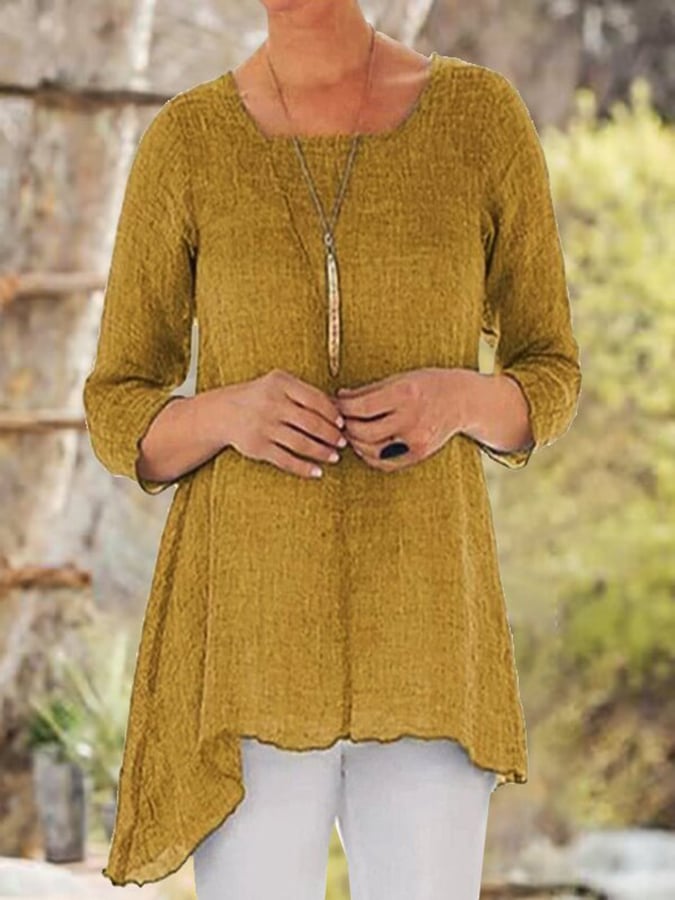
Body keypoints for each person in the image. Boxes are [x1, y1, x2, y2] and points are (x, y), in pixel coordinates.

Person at [82, 0, 582, 897]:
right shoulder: (187, 141)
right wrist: (229, 412)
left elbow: (550, 373)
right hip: (248, 640)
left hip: (427, 631)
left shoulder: (478, 118)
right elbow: (118, 406)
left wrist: (458, 399)